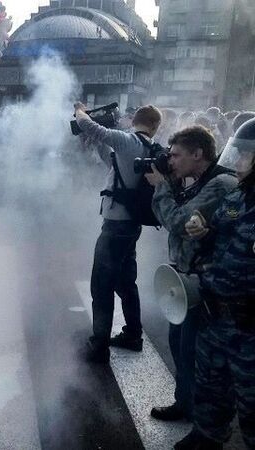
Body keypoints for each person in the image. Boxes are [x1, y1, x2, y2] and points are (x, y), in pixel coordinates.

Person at [146, 125, 237, 422]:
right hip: (187, 279)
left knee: (193, 353)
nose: (170, 161)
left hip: (207, 283)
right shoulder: (196, 181)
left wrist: (161, 186)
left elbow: (178, 221)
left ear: (198, 153)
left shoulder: (220, 183)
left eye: (176, 155)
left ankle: (199, 416)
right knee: (179, 345)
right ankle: (185, 402)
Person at [176, 118, 255, 449]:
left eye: (246, 155)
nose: (237, 162)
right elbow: (216, 220)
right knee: (209, 386)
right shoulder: (238, 197)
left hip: (249, 325)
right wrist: (202, 225)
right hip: (216, 314)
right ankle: (206, 436)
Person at [74, 103, 162, 363]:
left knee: (101, 287)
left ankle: (99, 346)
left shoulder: (128, 140)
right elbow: (114, 165)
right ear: (156, 126)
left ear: (135, 119)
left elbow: (88, 126)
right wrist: (99, 146)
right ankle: (133, 334)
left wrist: (81, 111)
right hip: (131, 224)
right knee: (125, 282)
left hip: (115, 227)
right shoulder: (151, 148)